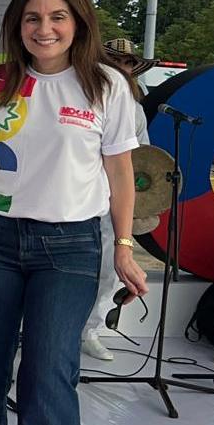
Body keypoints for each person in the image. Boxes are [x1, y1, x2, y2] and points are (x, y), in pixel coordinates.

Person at [0, 0, 149, 425]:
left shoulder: (107, 85)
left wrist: (124, 246)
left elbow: (121, 171)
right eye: (32, 17)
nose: (45, 28)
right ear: (17, 25)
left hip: (69, 250)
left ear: (78, 22)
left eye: (58, 17)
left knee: (46, 373)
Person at [80, 37, 153, 361]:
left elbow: (144, 161)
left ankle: (90, 331)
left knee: (109, 270)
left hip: (112, 204)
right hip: (79, 199)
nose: (120, 67)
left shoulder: (136, 110)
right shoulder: (84, 94)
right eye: (113, 61)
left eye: (125, 63)